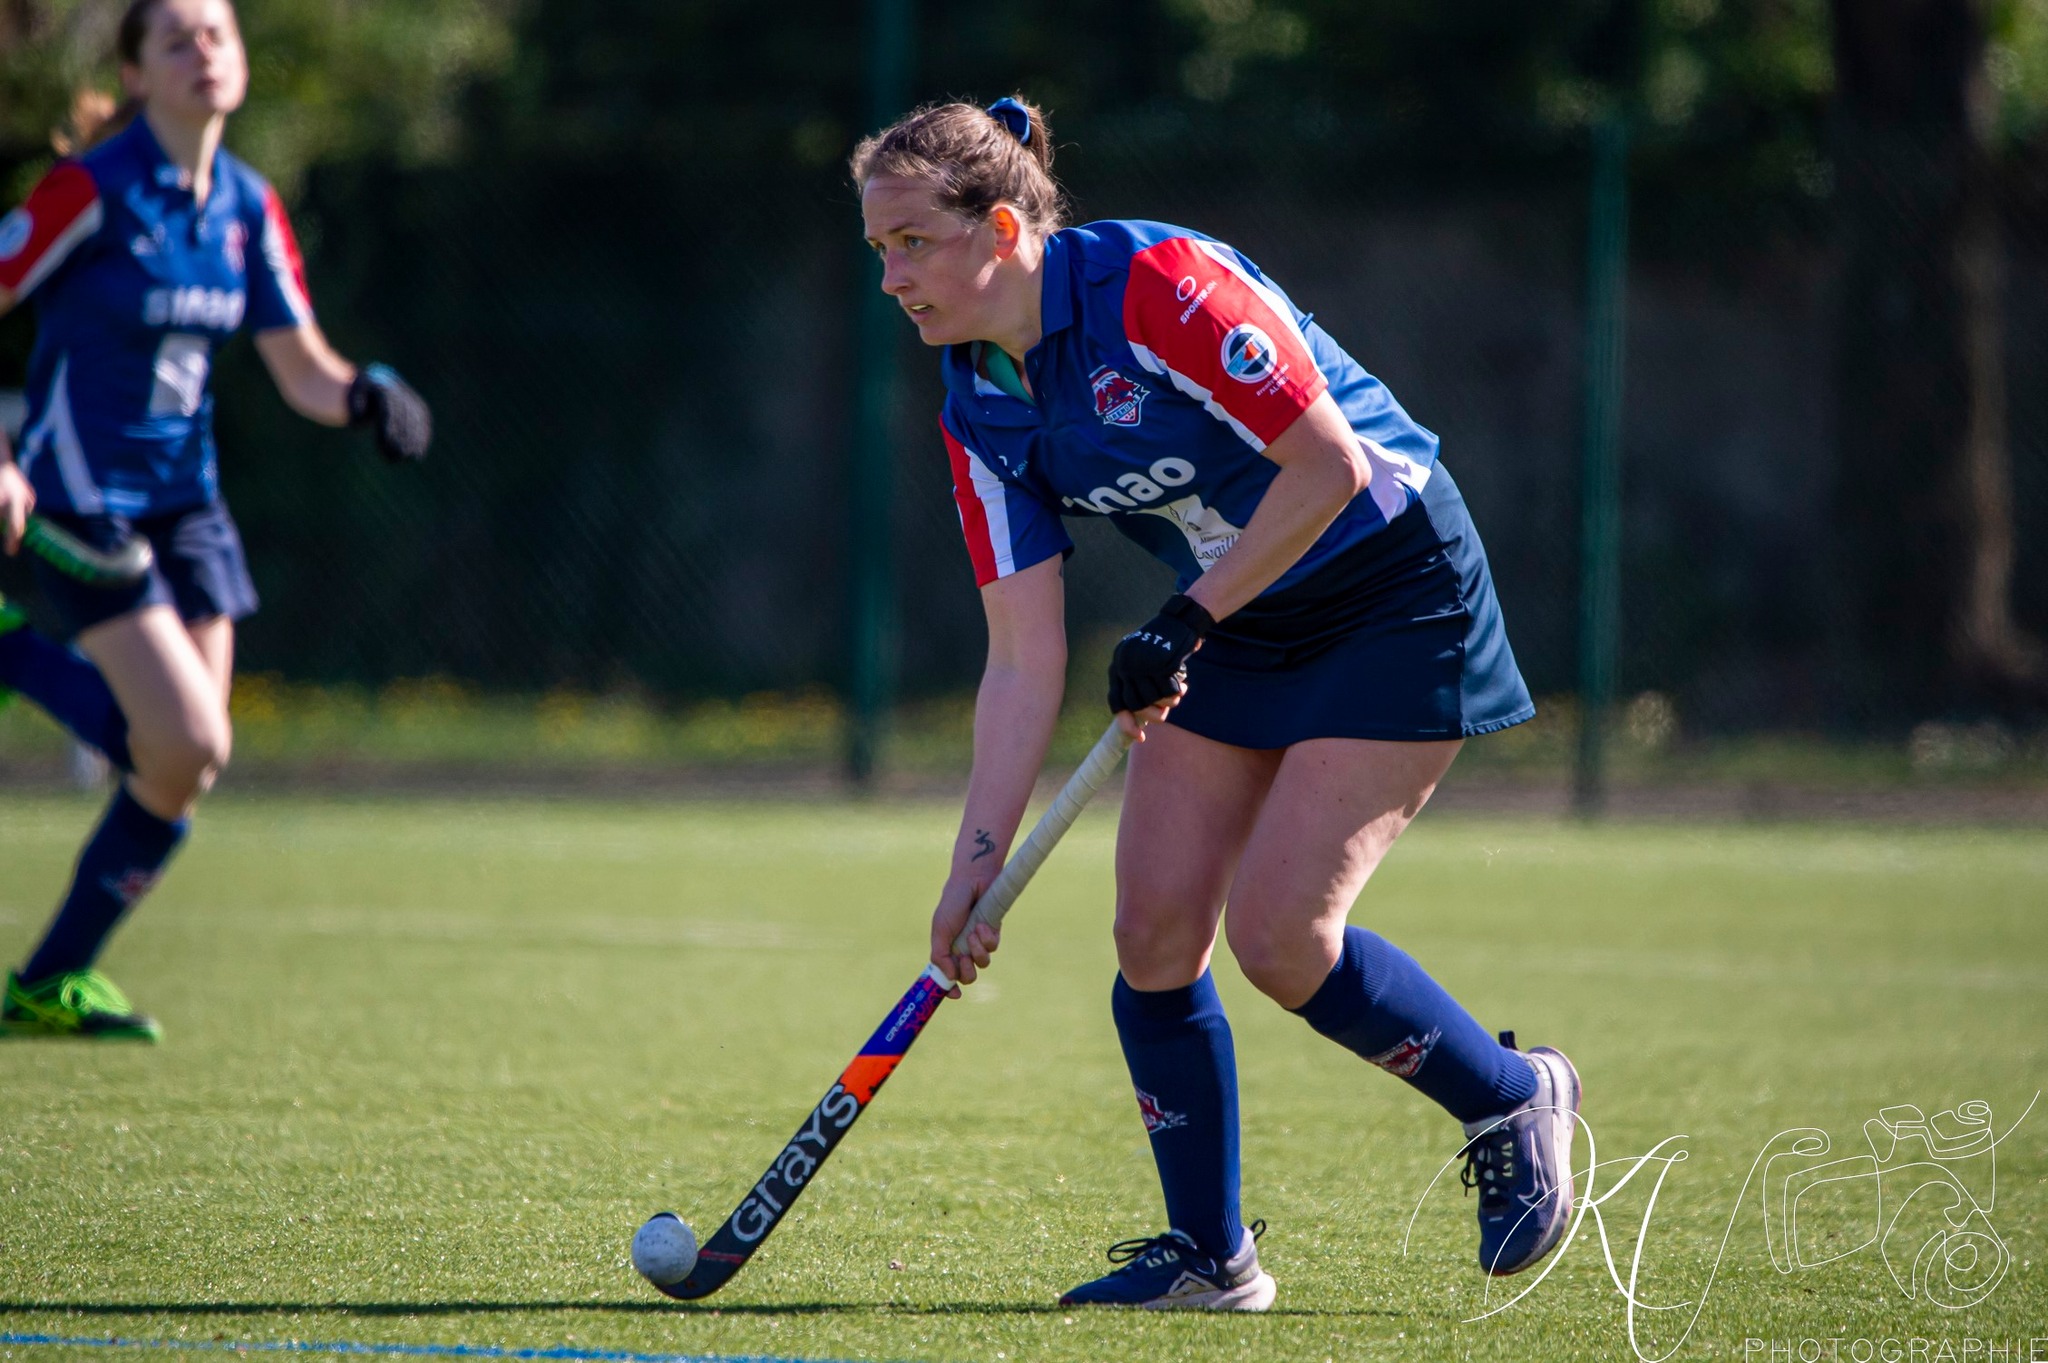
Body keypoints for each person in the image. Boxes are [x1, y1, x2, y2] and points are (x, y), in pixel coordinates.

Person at [854, 97, 1581, 1308]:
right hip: (1231, 613)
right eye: (879, 249)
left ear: (1001, 229)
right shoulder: (974, 403)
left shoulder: (1155, 285)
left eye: (912, 243)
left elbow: (1327, 464)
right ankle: (1209, 1256)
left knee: (1279, 938)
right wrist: (972, 867)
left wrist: (1184, 620)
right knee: (1152, 930)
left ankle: (1511, 1097)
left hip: (1392, 587)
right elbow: (1021, 656)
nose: (890, 278)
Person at [0, 0, 429, 1041]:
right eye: (176, 38)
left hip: (188, 506)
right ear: (136, 74)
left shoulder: (245, 204)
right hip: (82, 498)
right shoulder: (89, 190)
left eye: (216, 34)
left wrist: (366, 393)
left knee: (185, 761)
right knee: (184, 737)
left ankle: (48, 982)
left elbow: (302, 369)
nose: (202, 50)